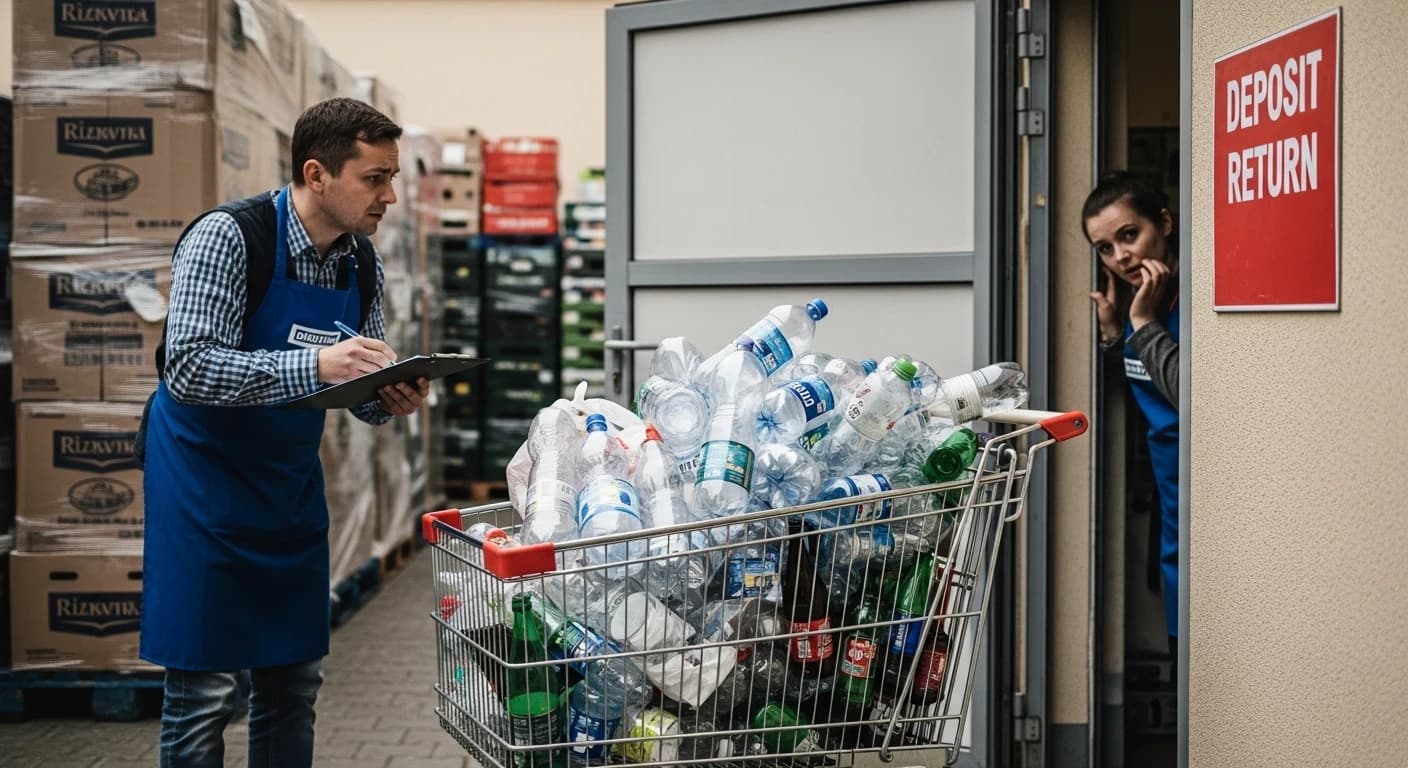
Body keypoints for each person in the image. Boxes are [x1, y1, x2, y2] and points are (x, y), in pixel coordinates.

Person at [139, 98, 429, 767]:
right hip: (202, 485)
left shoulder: (360, 264)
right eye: (375, 178)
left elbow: (354, 390)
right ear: (317, 173)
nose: (389, 195)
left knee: (294, 682)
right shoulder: (229, 239)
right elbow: (188, 367)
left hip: (286, 487)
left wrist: (388, 396)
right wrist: (315, 363)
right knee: (207, 690)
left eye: (392, 179)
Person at [1082, 171, 1180, 656]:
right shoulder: (1138, 304)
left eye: (1128, 235)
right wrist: (1113, 333)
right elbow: (1141, 386)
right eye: (1104, 248)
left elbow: (1189, 393)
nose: (1120, 257)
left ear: (1164, 222)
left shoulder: (1197, 304)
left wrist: (1142, 323)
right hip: (1171, 497)